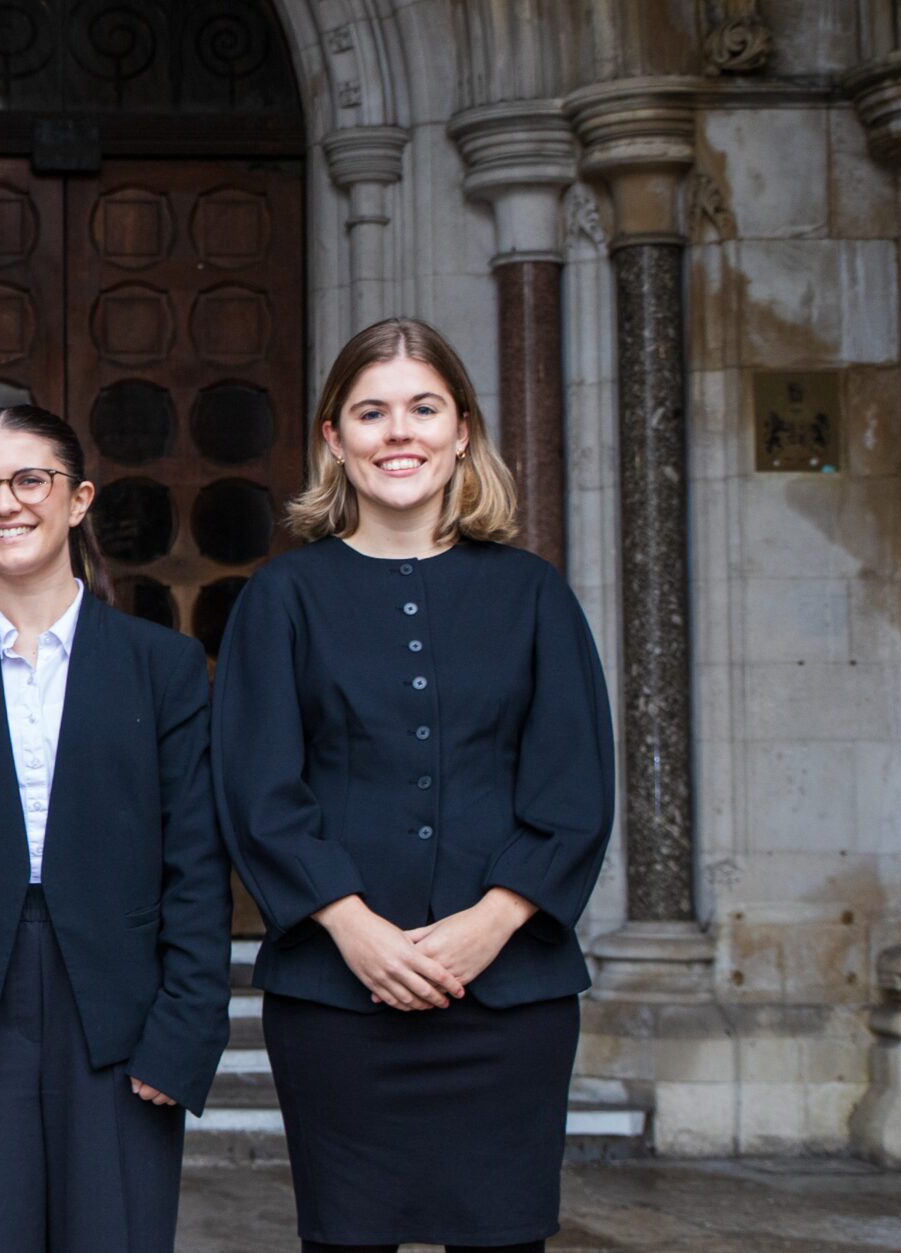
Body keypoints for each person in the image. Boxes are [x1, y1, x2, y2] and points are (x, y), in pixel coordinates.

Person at [213, 318, 614, 1253]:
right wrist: (354, 929)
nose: (400, 433)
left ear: (462, 429)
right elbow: (258, 789)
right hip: (338, 1003)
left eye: (423, 408)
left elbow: (574, 784)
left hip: (511, 1000)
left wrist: (492, 923)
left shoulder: (534, 593)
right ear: (334, 438)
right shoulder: (283, 598)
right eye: (372, 412)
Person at [0, 404, 230, 1252]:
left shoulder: (161, 667)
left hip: (121, 1021)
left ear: (79, 498)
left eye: (31, 480)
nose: (6, 503)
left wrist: (184, 1030)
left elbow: (196, 864)